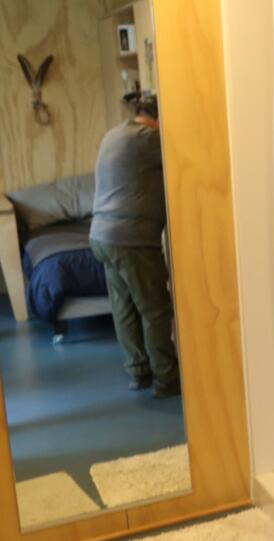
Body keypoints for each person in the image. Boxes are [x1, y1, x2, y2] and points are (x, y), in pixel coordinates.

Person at [90, 94, 179, 398]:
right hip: (131, 238)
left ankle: (137, 371)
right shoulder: (150, 138)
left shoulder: (113, 134)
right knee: (154, 308)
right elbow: (184, 156)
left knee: (124, 306)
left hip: (101, 234)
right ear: (157, 119)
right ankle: (166, 378)